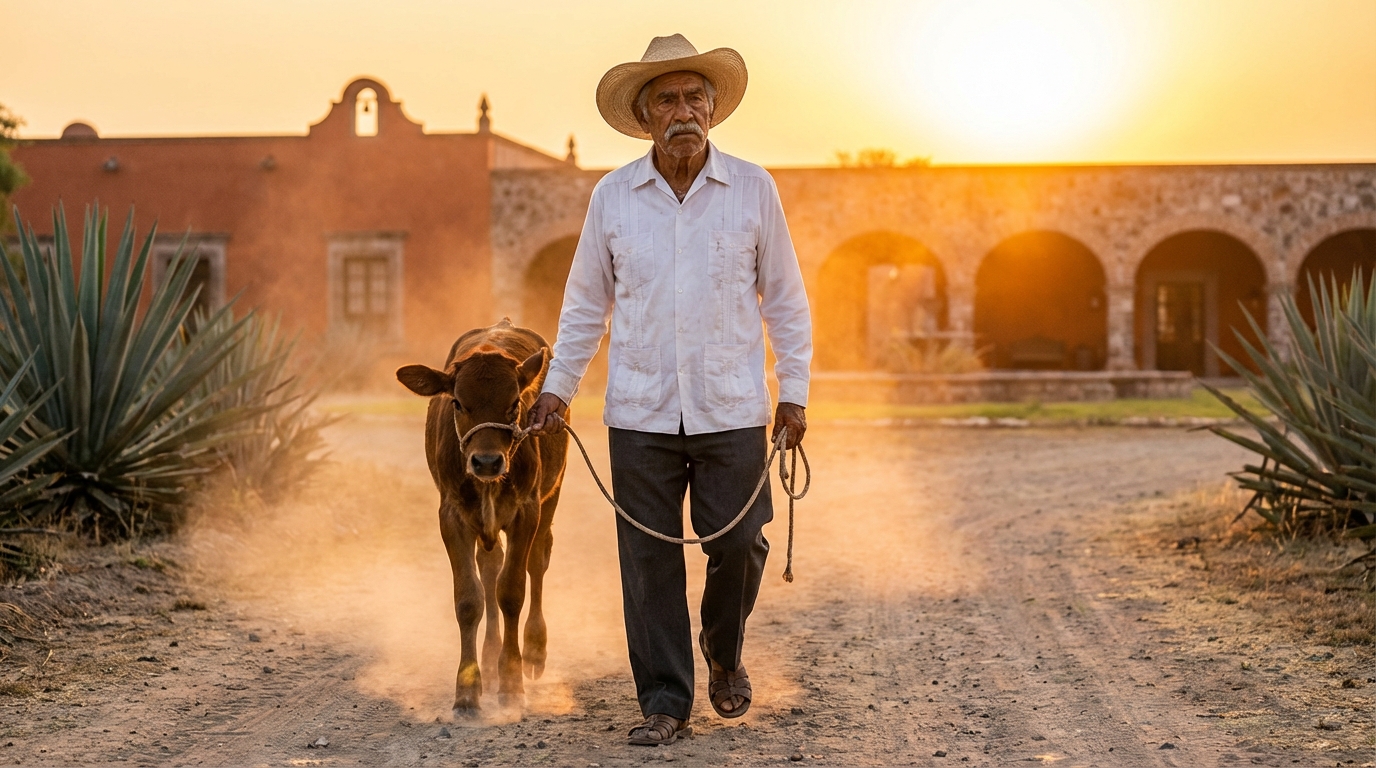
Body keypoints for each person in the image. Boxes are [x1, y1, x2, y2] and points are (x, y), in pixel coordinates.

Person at [527, 33, 812, 746]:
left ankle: (723, 652)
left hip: (731, 406)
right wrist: (559, 388)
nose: (682, 111)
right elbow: (585, 305)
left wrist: (794, 390)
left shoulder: (753, 188)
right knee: (647, 560)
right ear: (645, 115)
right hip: (640, 409)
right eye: (667, 100)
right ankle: (664, 701)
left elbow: (785, 299)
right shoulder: (613, 197)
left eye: (694, 98)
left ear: (713, 110)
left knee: (741, 542)